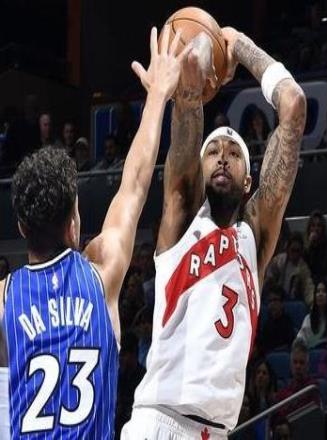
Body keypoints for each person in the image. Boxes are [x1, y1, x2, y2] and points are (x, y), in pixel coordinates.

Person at [0, 27, 187, 438]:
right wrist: (158, 95)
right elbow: (134, 183)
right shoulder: (102, 272)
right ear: (74, 224)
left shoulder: (3, 300)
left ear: (22, 227)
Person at [123, 25, 306, 439]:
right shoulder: (183, 214)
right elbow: (192, 63)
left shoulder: (255, 235)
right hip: (161, 420)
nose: (222, 157)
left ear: (249, 180)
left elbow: (293, 105)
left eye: (234, 153)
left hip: (217, 431)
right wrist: (212, 43)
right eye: (213, 151)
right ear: (199, 169)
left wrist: (240, 45)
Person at [265, 232, 315, 304]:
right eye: (293, 250)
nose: (295, 254)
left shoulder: (303, 269)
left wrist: (312, 303)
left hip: (291, 300)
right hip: (275, 298)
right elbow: (268, 279)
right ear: (288, 249)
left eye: (297, 251)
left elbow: (308, 288)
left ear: (301, 251)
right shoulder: (278, 261)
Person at [295, 280, 327, 348]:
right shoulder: (308, 318)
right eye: (318, 291)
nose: (320, 294)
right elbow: (300, 340)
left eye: (324, 291)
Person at [304, 210, 327, 281]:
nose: (316, 229)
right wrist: (309, 245)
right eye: (313, 225)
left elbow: (325, 268)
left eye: (319, 226)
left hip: (324, 281)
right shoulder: (307, 246)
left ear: (323, 228)